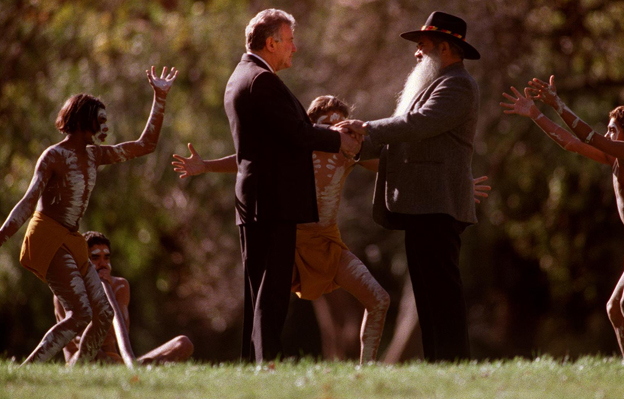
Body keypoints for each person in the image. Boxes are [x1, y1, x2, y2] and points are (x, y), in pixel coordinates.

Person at [173, 96, 390, 364]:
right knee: (264, 306)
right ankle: (259, 363)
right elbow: (249, 160)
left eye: (341, 125)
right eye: (327, 125)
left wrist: (364, 137)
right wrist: (206, 165)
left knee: (379, 299)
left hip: (327, 245)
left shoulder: (350, 153)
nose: (336, 131)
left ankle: (366, 369)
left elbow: (387, 164)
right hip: (288, 244)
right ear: (312, 126)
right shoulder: (295, 145)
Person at [0, 66, 178, 365]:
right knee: (80, 314)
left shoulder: (95, 155)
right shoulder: (53, 156)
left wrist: (159, 98)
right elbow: (29, 201)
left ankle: (79, 373)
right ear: (84, 120)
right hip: (47, 235)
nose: (105, 127)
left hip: (72, 239)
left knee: (104, 313)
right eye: (100, 120)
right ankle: (28, 368)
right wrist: (3, 234)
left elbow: (145, 145)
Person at [335, 11, 481, 362]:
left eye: (422, 45)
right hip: (422, 206)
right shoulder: (437, 84)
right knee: (428, 292)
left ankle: (454, 364)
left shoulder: (458, 85)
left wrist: (366, 129)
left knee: (442, 292)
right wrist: (352, 145)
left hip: (437, 205)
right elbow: (403, 135)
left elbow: (418, 124)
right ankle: (439, 365)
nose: (416, 52)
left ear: (444, 48)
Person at [500, 75, 624, 360]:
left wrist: (556, 103)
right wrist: (535, 114)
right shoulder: (617, 159)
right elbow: (571, 143)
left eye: (612, 130)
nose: (606, 135)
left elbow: (587, 136)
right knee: (614, 308)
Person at [222, 9, 360, 363]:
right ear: (271, 43)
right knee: (271, 291)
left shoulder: (240, 76)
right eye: (290, 41)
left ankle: (254, 364)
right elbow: (295, 133)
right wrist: (337, 139)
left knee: (257, 289)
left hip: (257, 200)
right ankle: (267, 363)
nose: (294, 48)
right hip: (272, 201)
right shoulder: (261, 80)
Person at [54, 231, 193, 364]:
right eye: (95, 258)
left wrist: (106, 292)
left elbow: (120, 334)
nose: (103, 263)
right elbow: (81, 341)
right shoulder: (65, 293)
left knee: (183, 343)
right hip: (82, 360)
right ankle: (135, 370)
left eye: (106, 258)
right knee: (94, 351)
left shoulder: (119, 286)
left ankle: (135, 369)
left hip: (115, 362)